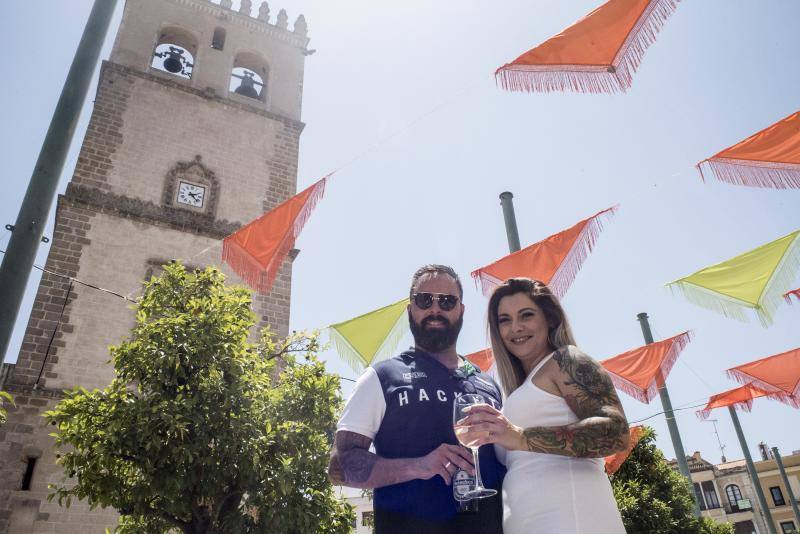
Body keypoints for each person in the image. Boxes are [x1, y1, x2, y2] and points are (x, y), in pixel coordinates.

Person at [328, 265, 505, 533]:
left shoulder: (487, 384)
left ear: (461, 310)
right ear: (410, 309)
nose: (436, 309)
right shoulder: (381, 377)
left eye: (447, 301)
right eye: (425, 300)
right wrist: (419, 466)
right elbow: (340, 466)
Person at [460, 278, 629, 534]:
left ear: (549, 318)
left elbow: (616, 432)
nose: (515, 327)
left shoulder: (567, 359)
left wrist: (519, 436)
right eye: (504, 320)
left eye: (526, 315)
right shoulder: (516, 391)